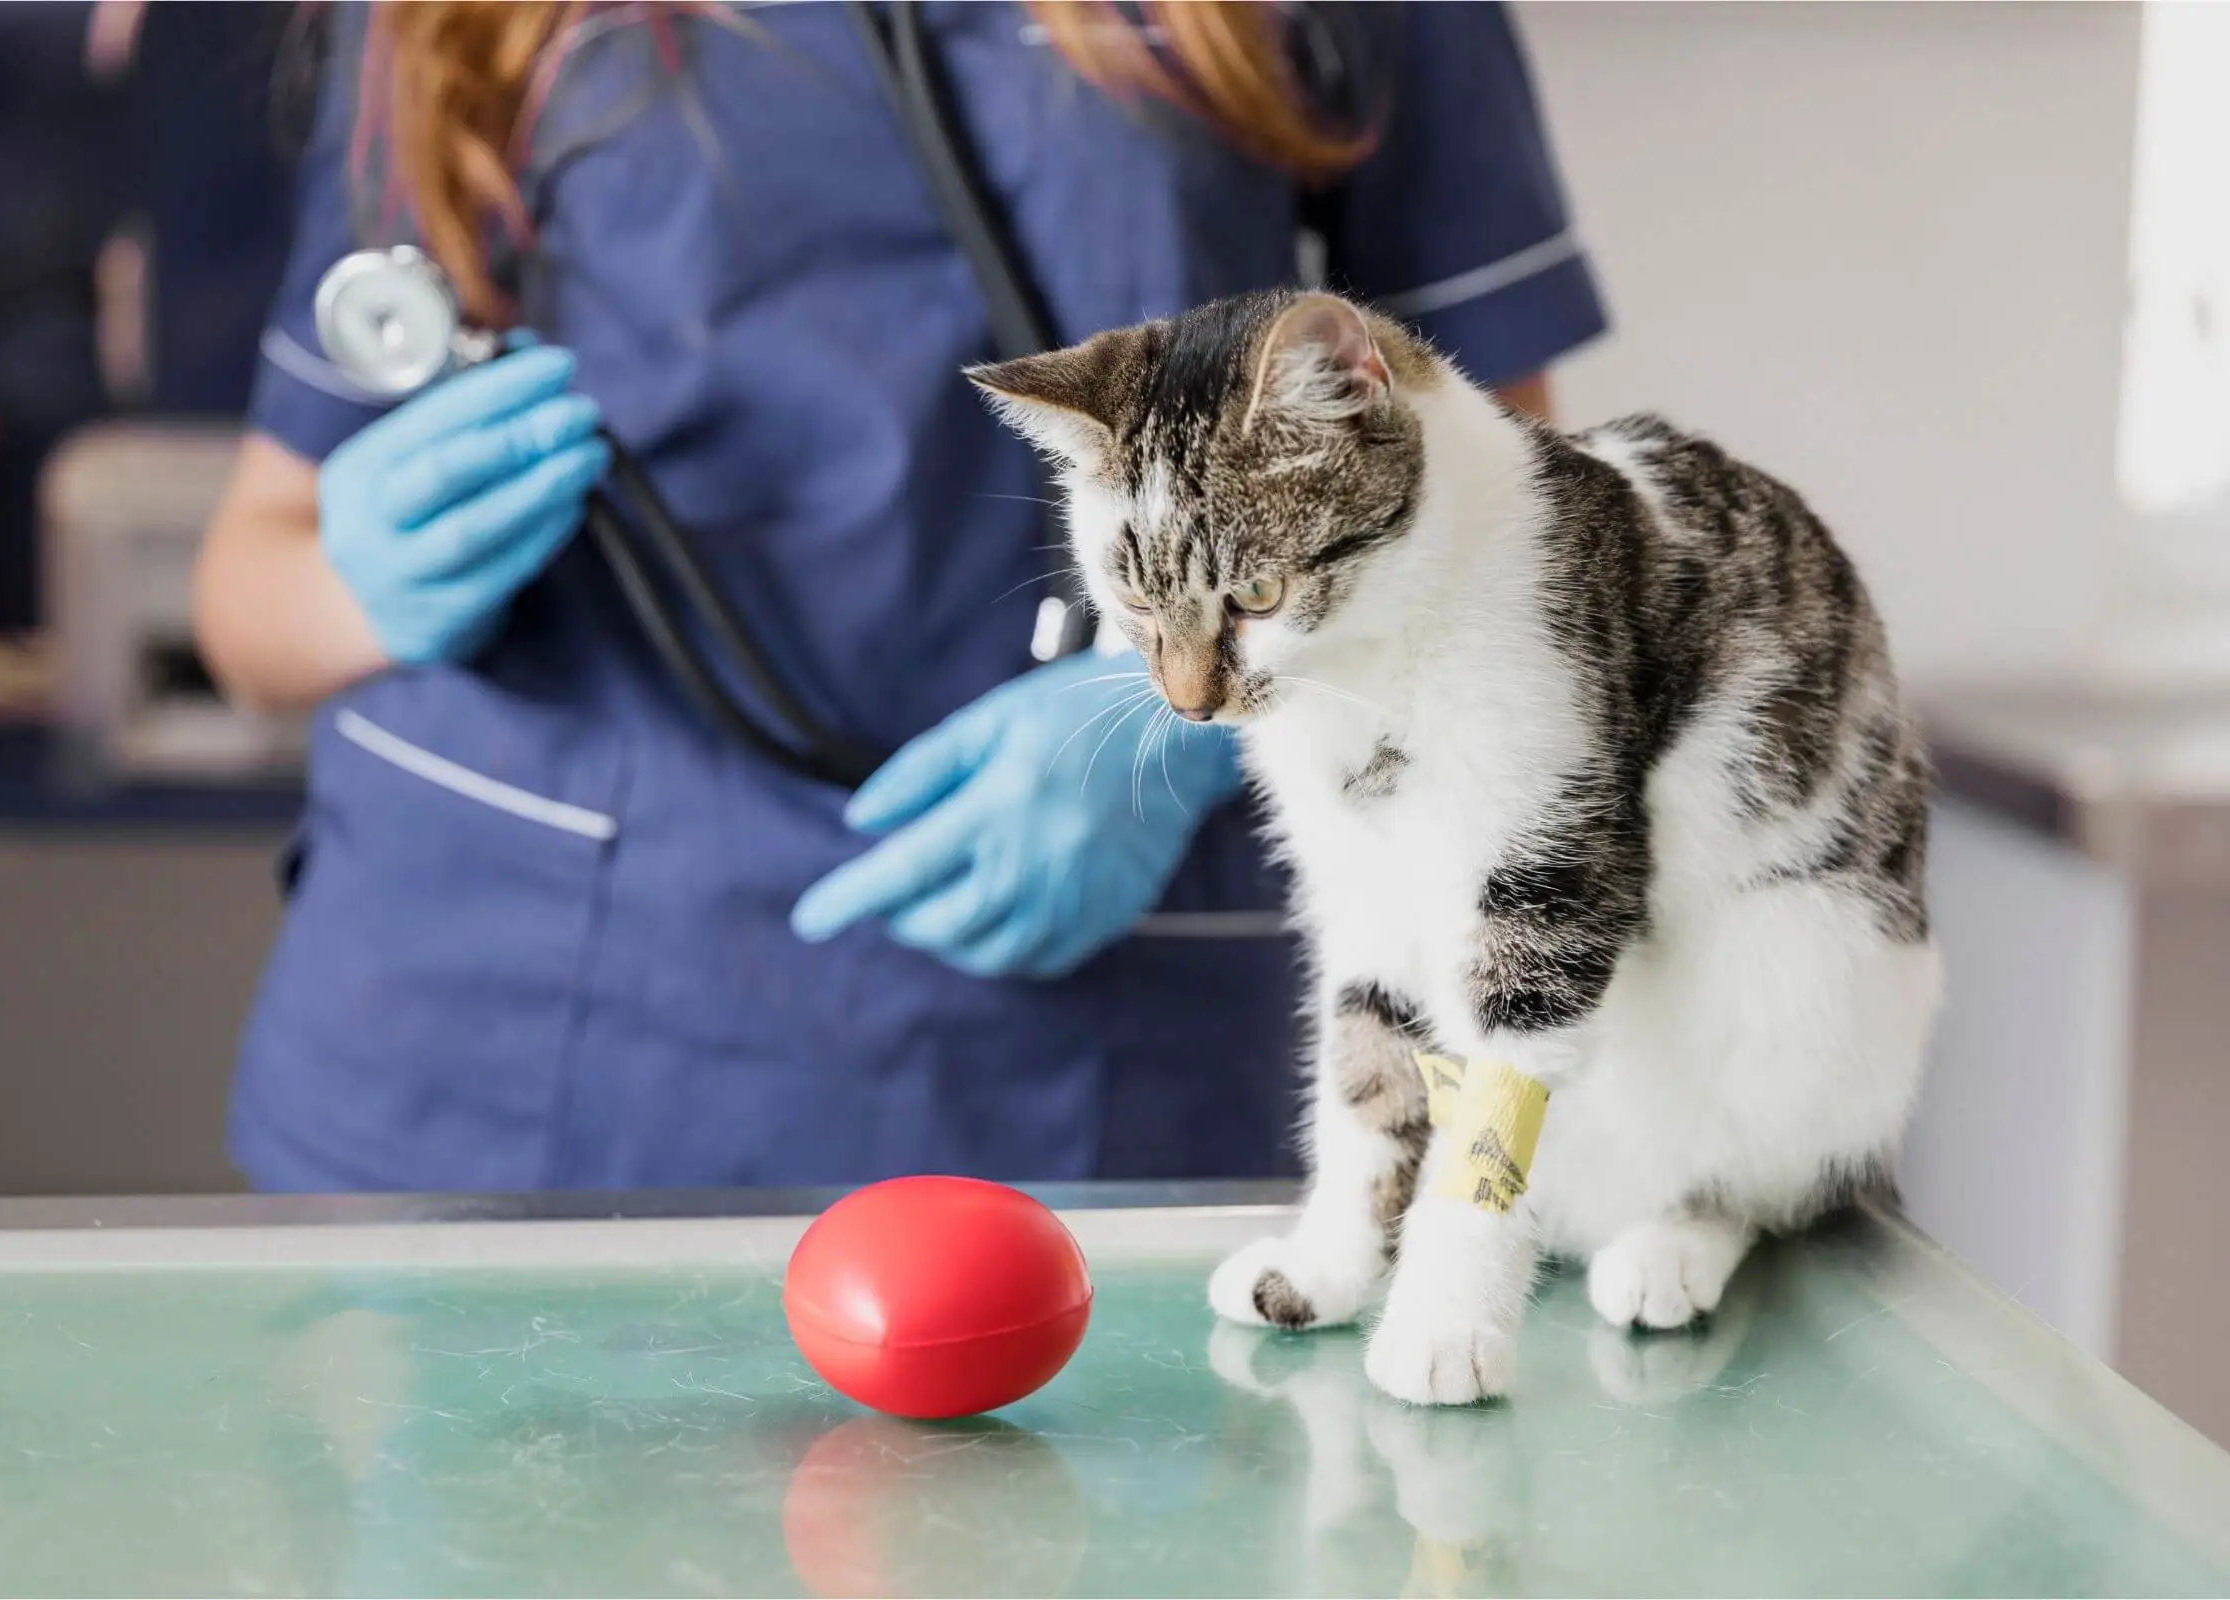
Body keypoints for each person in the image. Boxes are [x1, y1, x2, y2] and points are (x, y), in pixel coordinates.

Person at [196, 1, 1607, 1193]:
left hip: (1080, 1071)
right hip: (502, 1064)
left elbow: (1516, 530)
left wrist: (1181, 725)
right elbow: (247, 601)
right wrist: (362, 585)